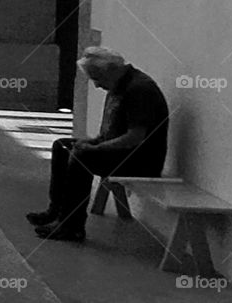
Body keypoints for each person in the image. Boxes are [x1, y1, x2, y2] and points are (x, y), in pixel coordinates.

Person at [27, 47, 169, 241]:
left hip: (141, 161)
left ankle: (71, 226)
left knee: (83, 156)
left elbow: (134, 137)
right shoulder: (120, 84)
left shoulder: (139, 89)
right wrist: (92, 143)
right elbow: (111, 131)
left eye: (97, 78)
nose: (96, 85)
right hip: (124, 153)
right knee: (63, 146)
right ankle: (57, 211)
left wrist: (95, 148)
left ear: (111, 69)